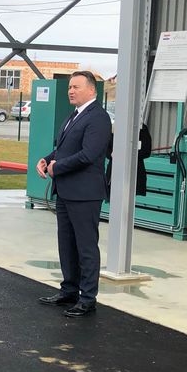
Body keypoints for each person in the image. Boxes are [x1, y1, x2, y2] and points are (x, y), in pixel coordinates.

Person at [35, 71, 111, 318]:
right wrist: (47, 159)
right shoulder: (74, 115)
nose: (71, 91)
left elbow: (88, 154)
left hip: (85, 193)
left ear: (92, 90)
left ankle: (87, 298)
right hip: (66, 191)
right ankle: (69, 290)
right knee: (66, 244)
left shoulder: (98, 118)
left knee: (86, 247)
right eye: (70, 87)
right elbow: (64, 149)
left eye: (76, 87)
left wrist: (57, 167)